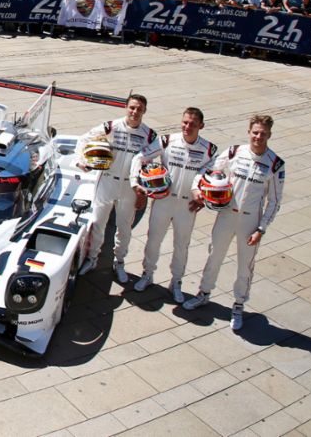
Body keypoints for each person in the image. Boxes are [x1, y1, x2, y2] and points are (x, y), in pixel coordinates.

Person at [183, 115, 284, 331]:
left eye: (263, 133)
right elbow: (207, 170)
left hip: (250, 221)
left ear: (269, 135)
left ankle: (238, 306)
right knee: (214, 256)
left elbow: (274, 202)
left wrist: (261, 229)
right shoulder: (234, 152)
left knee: (244, 267)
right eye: (255, 132)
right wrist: (197, 190)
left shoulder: (275, 164)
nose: (258, 136)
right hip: (227, 214)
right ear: (249, 132)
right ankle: (203, 293)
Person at [131, 108, 216, 303]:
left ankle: (176, 282)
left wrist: (202, 195)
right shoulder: (167, 141)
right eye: (185, 122)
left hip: (187, 205)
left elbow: (211, 176)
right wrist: (138, 184)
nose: (188, 127)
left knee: (181, 246)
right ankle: (147, 274)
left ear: (201, 126)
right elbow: (140, 157)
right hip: (163, 200)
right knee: (153, 240)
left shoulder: (209, 150)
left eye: (193, 124)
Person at [77, 93, 162, 283]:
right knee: (98, 223)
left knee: (124, 228)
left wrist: (144, 190)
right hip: (106, 181)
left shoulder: (149, 135)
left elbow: (155, 160)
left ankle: (119, 262)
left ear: (144, 111)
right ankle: (92, 258)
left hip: (130, 188)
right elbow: (84, 139)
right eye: (132, 107)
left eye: (139, 109)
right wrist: (81, 161)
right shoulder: (111, 126)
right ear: (126, 107)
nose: (135, 112)